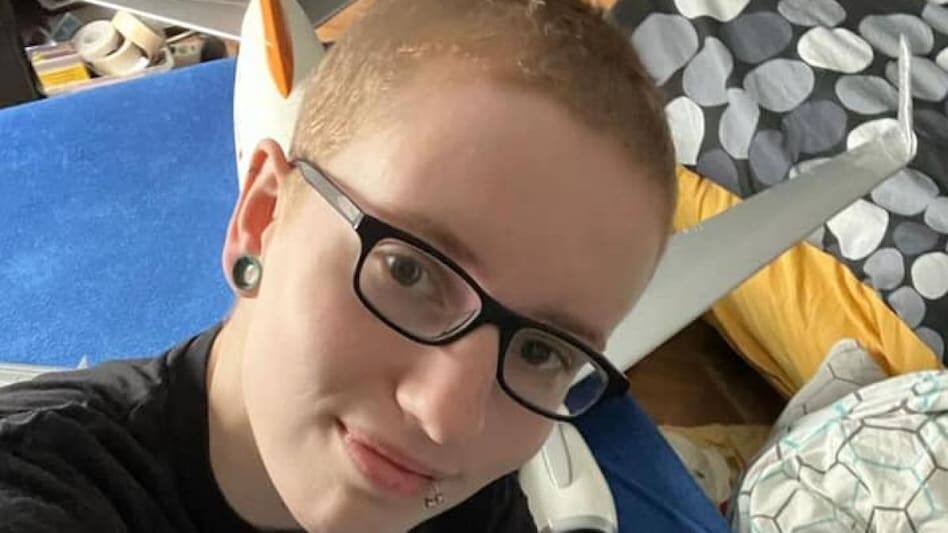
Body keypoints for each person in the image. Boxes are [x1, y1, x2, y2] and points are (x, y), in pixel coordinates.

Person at [0, 0, 675, 531]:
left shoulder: (464, 492)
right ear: (262, 217)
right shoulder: (44, 484)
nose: (444, 417)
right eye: (408, 271)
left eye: (541, 350)